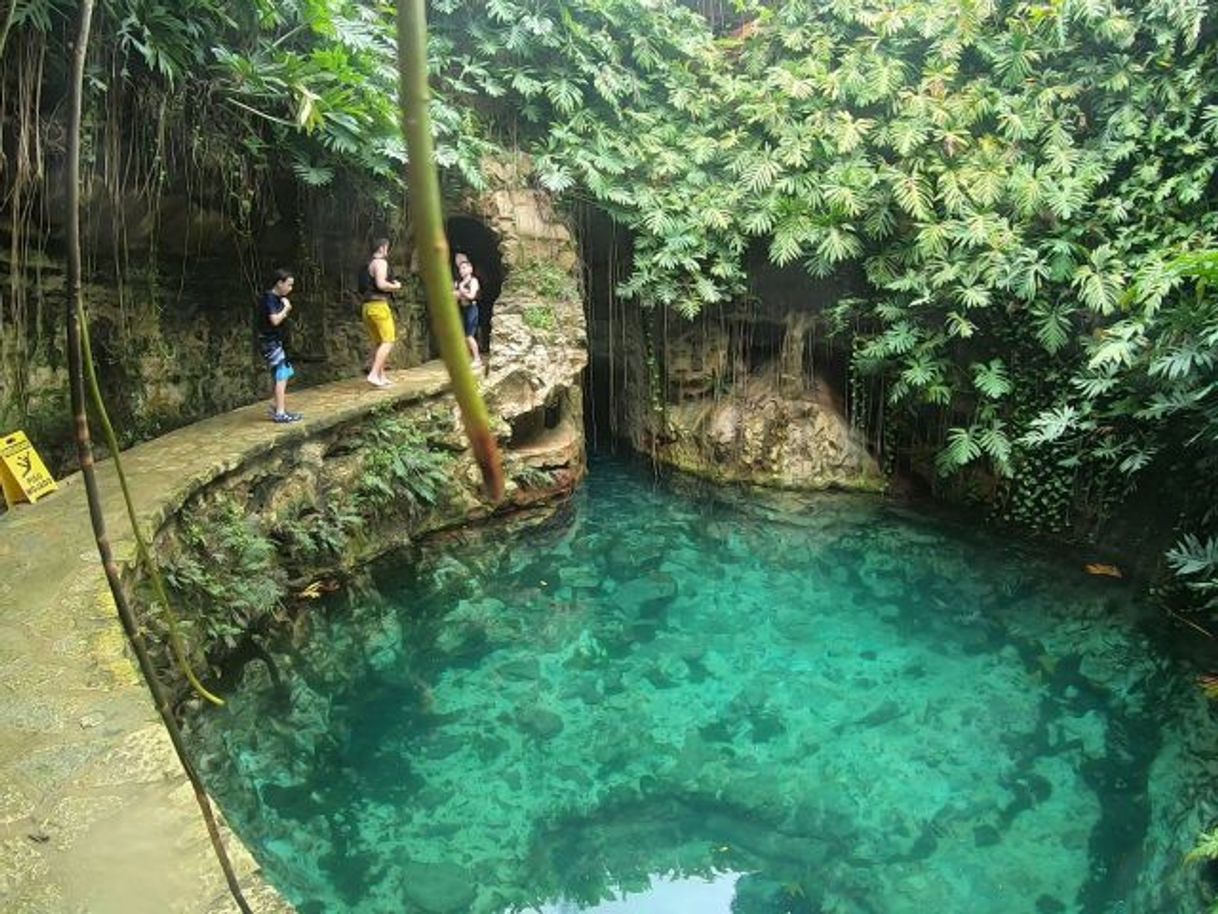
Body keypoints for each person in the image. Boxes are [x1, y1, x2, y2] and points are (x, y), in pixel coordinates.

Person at [258, 268, 302, 423]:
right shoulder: (269, 298)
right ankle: (280, 412)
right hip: (270, 342)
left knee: (282, 373)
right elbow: (275, 320)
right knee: (281, 374)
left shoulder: (276, 298)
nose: (290, 289)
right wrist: (286, 308)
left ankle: (278, 407)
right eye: (289, 285)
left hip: (276, 341)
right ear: (279, 283)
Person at [358, 237, 402, 388]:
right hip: (379, 306)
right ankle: (374, 373)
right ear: (383, 248)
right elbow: (381, 284)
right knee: (388, 341)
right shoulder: (381, 263)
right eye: (387, 248)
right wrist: (395, 286)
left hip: (367, 307)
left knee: (379, 342)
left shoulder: (368, 264)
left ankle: (381, 377)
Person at [453, 252, 481, 369]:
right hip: (462, 309)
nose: (462, 270)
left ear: (470, 269)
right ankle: (467, 358)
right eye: (460, 269)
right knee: (464, 335)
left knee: (469, 336)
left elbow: (472, 295)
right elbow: (453, 296)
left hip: (471, 309)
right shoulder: (459, 282)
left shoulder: (473, 281)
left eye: (464, 268)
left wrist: (461, 291)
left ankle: (477, 359)